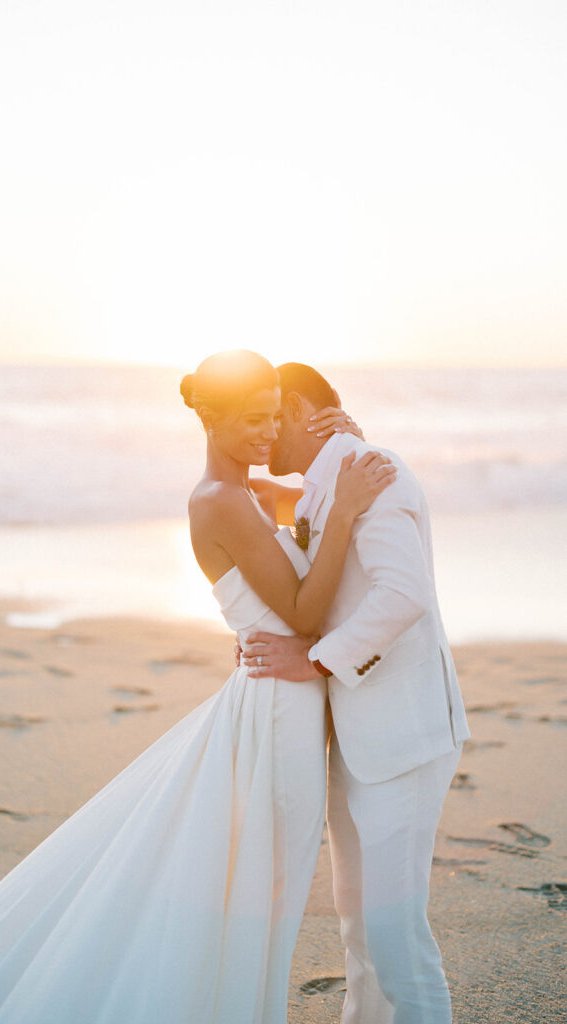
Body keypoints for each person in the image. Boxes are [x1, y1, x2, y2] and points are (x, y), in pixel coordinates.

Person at [0, 350, 395, 1024]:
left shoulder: (246, 495)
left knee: (263, 882)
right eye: (251, 420)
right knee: (264, 885)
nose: (268, 434)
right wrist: (347, 512)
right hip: (276, 708)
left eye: (274, 418)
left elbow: (324, 507)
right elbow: (302, 610)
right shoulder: (219, 501)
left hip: (283, 697)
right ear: (208, 418)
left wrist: (344, 441)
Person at [242, 362, 471, 1024]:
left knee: (396, 941)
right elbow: (247, 495)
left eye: (268, 418)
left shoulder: (370, 469)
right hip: (360, 735)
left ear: (299, 412)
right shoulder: (329, 482)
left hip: (400, 737)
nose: (261, 436)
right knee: (360, 932)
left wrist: (312, 660)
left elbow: (403, 596)